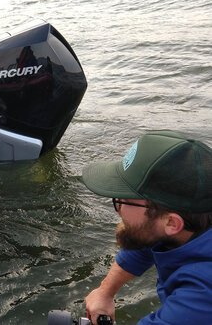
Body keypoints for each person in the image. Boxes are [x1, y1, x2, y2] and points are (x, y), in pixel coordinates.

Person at [81, 130, 212, 324]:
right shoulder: (193, 218)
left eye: (123, 201)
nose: (119, 210)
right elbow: (144, 245)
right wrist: (104, 292)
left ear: (172, 223)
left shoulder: (201, 296)